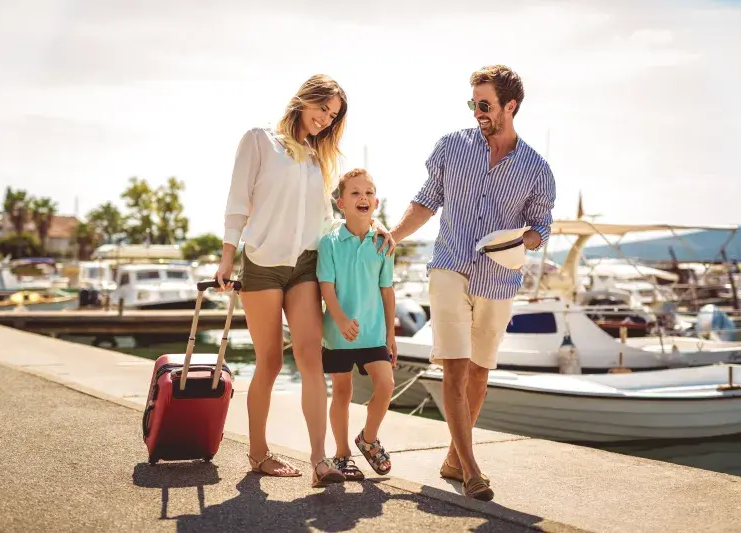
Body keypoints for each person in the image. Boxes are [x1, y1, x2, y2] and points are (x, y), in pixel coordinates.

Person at [214, 74, 394, 489]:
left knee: (310, 359)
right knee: (270, 361)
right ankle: (259, 453)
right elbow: (238, 201)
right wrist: (226, 256)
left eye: (333, 116)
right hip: (262, 263)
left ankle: (319, 461)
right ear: (304, 100)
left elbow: (329, 216)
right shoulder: (259, 140)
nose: (325, 120)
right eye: (323, 109)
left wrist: (374, 224)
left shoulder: (317, 158)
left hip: (305, 265)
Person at [390, 65, 556, 501]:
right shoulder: (452, 146)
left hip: (498, 278)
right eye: (473, 103)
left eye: (485, 104)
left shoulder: (537, 168)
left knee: (479, 373)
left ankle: (453, 458)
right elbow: (426, 201)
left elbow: (541, 226)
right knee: (455, 366)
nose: (477, 112)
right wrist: (392, 236)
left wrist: (523, 240)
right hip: (449, 265)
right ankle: (472, 470)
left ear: (510, 106)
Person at [317, 168, 397, 481]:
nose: (363, 197)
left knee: (386, 385)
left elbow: (387, 291)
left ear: (375, 202)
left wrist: (391, 334)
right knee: (342, 391)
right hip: (338, 334)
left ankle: (368, 438)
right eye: (355, 193)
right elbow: (326, 287)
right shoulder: (330, 243)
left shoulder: (383, 244)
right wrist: (339, 318)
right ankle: (342, 454)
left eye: (368, 193)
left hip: (374, 332)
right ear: (341, 203)